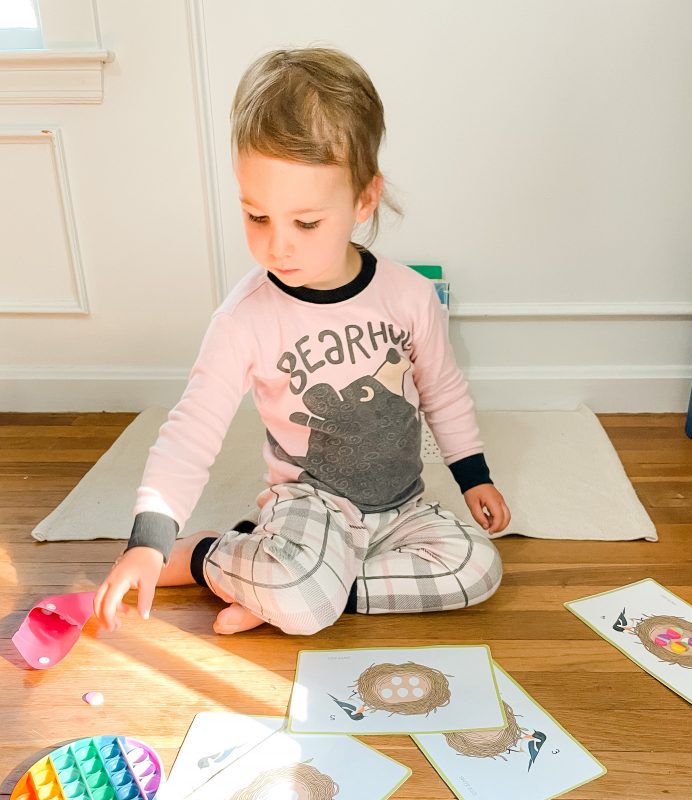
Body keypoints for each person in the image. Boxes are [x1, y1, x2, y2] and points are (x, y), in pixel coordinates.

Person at [94, 47, 510, 636]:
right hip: (311, 510)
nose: (277, 246)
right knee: (303, 588)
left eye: (306, 223)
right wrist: (150, 539)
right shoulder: (246, 318)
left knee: (477, 569)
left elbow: (442, 390)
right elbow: (191, 431)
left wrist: (475, 475)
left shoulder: (410, 296)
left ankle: (300, 590)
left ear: (364, 199)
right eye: (256, 217)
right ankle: (209, 555)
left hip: (403, 508)